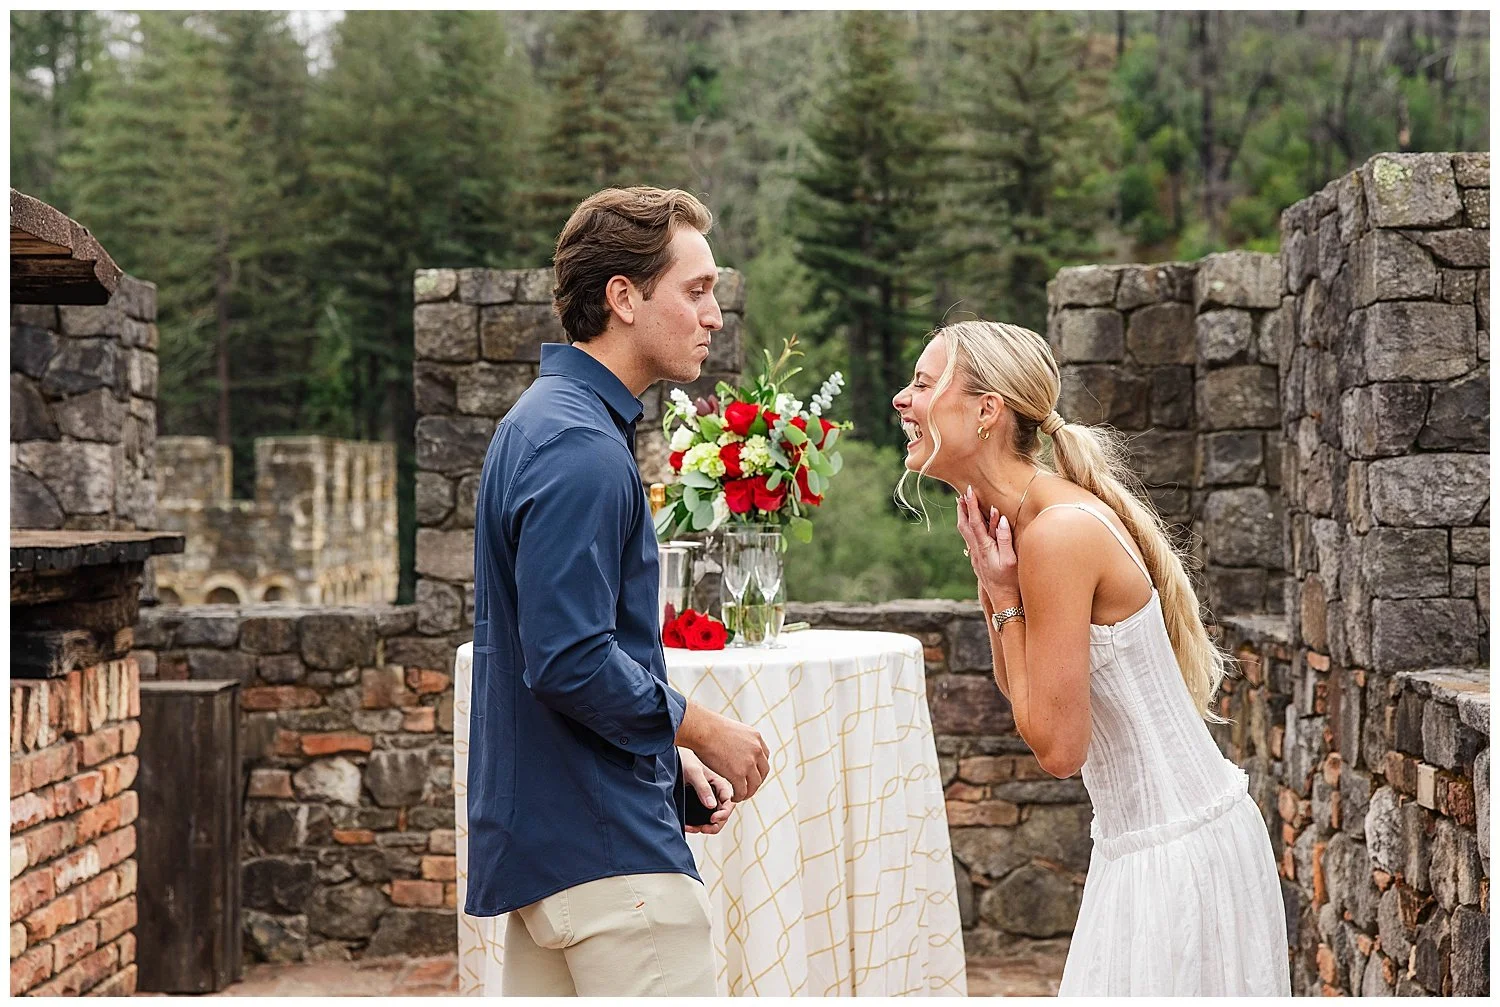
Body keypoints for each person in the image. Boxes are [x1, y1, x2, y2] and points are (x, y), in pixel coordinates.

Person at [891, 319, 1290, 996]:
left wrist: (1004, 595)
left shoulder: (1057, 532)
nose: (903, 399)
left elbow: (1057, 746)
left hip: (1173, 851)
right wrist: (999, 592)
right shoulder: (1023, 523)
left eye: (925, 383)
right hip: (1146, 842)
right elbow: (1024, 687)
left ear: (988, 410)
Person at [467, 186, 772, 997]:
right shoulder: (578, 447)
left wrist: (663, 762)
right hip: (610, 869)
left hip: (558, 852)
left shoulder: (543, 422)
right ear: (624, 297)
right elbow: (568, 659)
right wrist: (702, 730)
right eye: (696, 290)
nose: (714, 315)